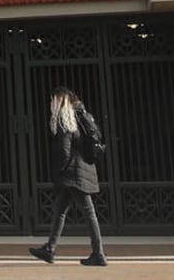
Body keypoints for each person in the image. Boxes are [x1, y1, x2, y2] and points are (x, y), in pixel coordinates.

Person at [29, 86, 106, 267]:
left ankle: (99, 253)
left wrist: (59, 172)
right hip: (81, 170)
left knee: (88, 212)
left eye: (52, 100)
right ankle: (49, 249)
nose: (50, 103)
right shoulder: (80, 116)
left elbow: (64, 151)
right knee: (60, 211)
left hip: (72, 174)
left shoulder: (66, 122)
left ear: (59, 101)